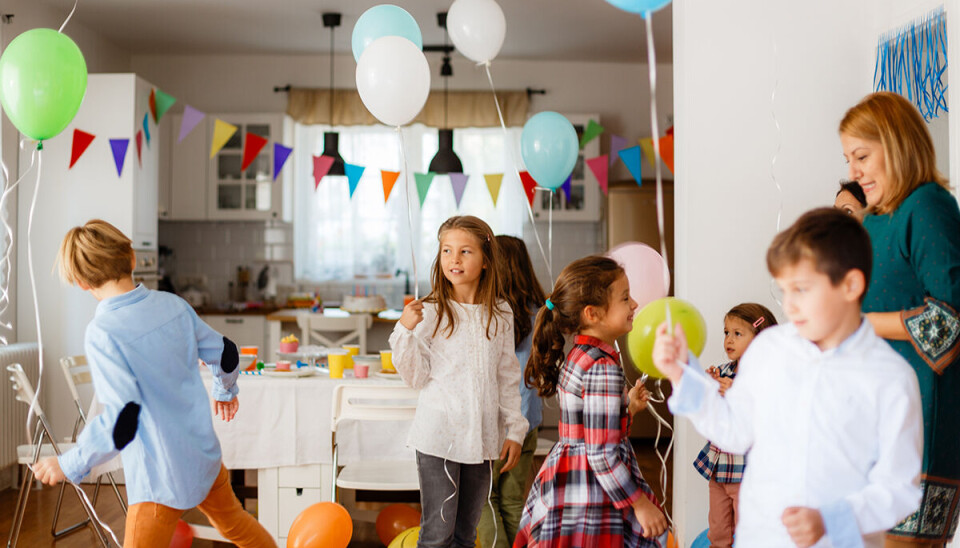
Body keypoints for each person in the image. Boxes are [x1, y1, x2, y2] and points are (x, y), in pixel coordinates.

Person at [653, 208, 923, 547]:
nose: (790, 306)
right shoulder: (770, 351)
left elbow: (899, 489)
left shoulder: (891, 379)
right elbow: (734, 430)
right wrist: (683, 373)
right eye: (784, 291)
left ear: (851, 285)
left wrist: (832, 519)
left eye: (802, 290)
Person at [31, 220, 275, 548]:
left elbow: (123, 422)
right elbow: (228, 353)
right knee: (239, 528)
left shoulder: (102, 332)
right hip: (204, 459)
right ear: (131, 258)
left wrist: (68, 463)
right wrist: (225, 390)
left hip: (158, 478)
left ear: (80, 282)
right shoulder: (173, 305)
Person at [840, 91, 960, 548]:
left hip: (920, 425)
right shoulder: (877, 219)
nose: (854, 172)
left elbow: (949, 325)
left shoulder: (927, 206)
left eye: (862, 156)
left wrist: (859, 326)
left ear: (897, 145)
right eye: (849, 158)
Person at [390, 216, 528, 548]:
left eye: (465, 251)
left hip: (481, 438)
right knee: (437, 535)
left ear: (485, 261)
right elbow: (415, 376)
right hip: (439, 438)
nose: (454, 259)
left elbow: (507, 375)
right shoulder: (431, 311)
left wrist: (515, 429)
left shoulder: (501, 312)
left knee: (467, 534)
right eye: (447, 251)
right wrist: (405, 331)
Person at [514, 255, 667, 547]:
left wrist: (628, 408)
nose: (635, 304)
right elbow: (601, 453)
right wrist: (639, 504)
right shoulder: (602, 367)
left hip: (574, 474)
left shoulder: (581, 355)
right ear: (592, 314)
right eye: (625, 298)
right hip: (592, 486)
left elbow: (591, 428)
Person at [477, 235, 545, 548]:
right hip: (527, 421)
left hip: (494, 423)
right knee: (513, 499)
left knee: (485, 499)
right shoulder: (540, 312)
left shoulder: (491, 313)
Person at [695, 303, 777, 548]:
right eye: (726, 332)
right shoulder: (722, 372)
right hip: (719, 469)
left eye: (737, 334)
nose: (729, 340)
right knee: (718, 529)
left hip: (747, 473)